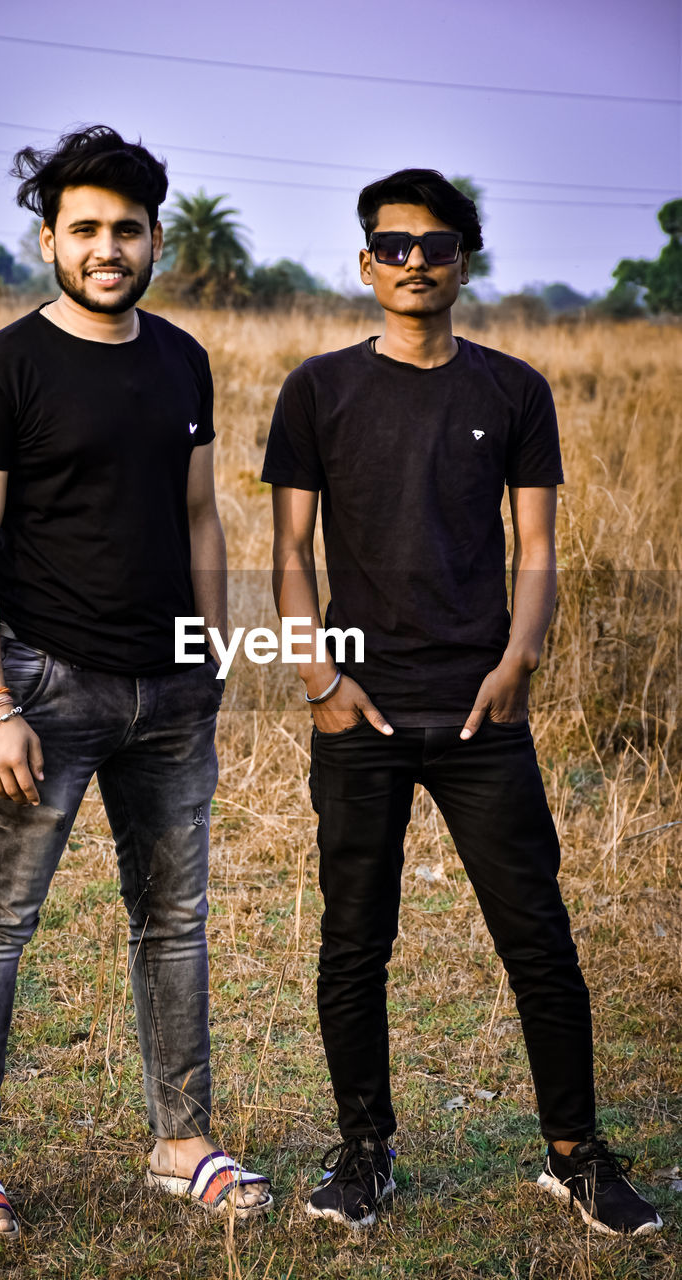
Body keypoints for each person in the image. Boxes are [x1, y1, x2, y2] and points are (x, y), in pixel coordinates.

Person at [261, 168, 662, 1235]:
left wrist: (516, 661)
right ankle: (364, 1152)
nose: (414, 262)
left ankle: (576, 1154)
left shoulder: (512, 390)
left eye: (435, 246)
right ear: (365, 264)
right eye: (392, 246)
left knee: (537, 934)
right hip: (362, 713)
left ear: (463, 262)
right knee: (354, 940)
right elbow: (289, 552)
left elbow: (537, 548)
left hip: (485, 714)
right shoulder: (317, 390)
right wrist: (318, 678)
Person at [0, 126, 271, 1244]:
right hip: (47, 686)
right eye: (85, 228)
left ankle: (182, 1142)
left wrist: (210, 652)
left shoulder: (181, 356)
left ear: (155, 239)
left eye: (126, 228)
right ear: (49, 241)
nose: (107, 245)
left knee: (173, 921)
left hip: (169, 694)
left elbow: (197, 516)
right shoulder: (1, 369)